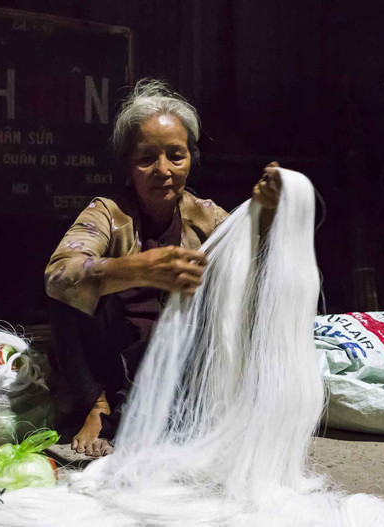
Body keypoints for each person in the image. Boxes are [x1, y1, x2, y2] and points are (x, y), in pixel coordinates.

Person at [44, 79, 282, 457]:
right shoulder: (107, 213)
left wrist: (265, 215)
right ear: (128, 165)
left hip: (171, 364)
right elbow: (59, 274)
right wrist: (137, 269)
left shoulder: (207, 217)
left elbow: (255, 272)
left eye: (176, 156)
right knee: (66, 294)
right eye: (146, 158)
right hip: (109, 358)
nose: (163, 170)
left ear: (191, 159)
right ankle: (97, 405)